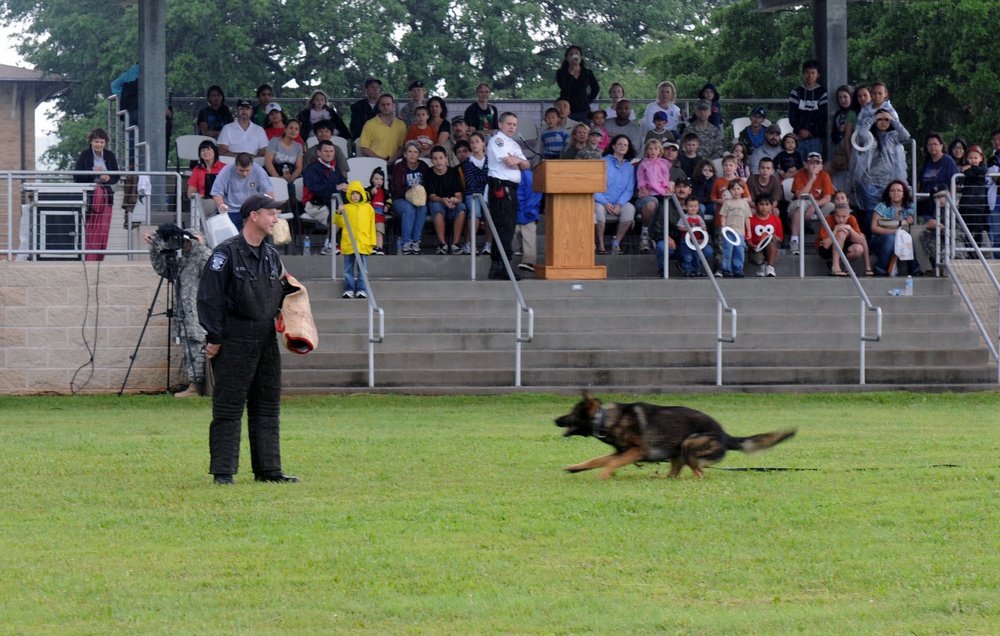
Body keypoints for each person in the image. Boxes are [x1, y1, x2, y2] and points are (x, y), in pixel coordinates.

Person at [196, 193, 299, 486]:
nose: (275, 219)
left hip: (265, 337)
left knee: (267, 404)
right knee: (228, 406)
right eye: (270, 213)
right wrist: (214, 337)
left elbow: (279, 292)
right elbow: (208, 298)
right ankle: (224, 472)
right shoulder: (224, 253)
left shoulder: (271, 255)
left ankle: (269, 469)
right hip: (234, 337)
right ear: (254, 215)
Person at [143, 224, 211, 397]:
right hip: (184, 312)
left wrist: (199, 243)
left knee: (196, 346)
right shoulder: (184, 260)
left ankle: (196, 386)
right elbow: (163, 270)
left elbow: (214, 280)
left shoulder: (202, 255)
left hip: (197, 313)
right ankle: (191, 383)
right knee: (188, 348)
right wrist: (155, 247)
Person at [486, 112, 530, 279]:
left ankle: (498, 267)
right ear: (500, 124)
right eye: (509, 123)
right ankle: (503, 266)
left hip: (511, 189)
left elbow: (526, 164)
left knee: (508, 228)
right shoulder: (498, 140)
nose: (512, 127)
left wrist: (518, 160)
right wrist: (518, 161)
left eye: (514, 124)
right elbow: (508, 161)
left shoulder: (513, 144)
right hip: (501, 187)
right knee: (504, 228)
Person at [849, 108, 911, 224]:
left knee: (887, 213)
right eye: (880, 120)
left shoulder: (892, 137)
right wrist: (873, 118)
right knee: (871, 213)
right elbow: (861, 133)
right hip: (868, 182)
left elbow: (905, 135)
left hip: (887, 182)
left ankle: (882, 238)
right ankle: (870, 239)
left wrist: (892, 120)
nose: (883, 122)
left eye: (886, 120)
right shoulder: (869, 136)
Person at [74, 128, 120, 261]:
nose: (98, 145)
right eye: (96, 142)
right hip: (91, 195)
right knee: (91, 226)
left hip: (106, 196)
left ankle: (99, 257)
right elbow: (77, 177)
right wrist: (93, 171)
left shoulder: (110, 155)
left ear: (105, 143)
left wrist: (108, 178)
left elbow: (116, 176)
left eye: (101, 142)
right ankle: (89, 256)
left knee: (103, 228)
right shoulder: (85, 155)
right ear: (91, 142)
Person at [917, 131, 960, 270]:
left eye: (935, 144)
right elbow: (919, 181)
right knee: (929, 233)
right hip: (926, 204)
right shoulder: (927, 163)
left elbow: (954, 181)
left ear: (941, 145)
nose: (932, 147)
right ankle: (935, 264)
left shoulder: (947, 160)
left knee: (942, 232)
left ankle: (945, 262)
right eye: (929, 144)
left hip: (942, 206)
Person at [302, 140, 350, 251]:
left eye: (331, 151)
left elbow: (343, 182)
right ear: (319, 153)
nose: (329, 154)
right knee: (339, 216)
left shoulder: (335, 168)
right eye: (326, 151)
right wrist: (336, 187)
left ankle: (330, 244)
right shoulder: (312, 168)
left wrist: (345, 186)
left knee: (347, 212)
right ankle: (330, 245)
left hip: (332, 202)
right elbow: (315, 188)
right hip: (314, 203)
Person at [594, 134, 637, 255]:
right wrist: (605, 202)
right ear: (613, 146)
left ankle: (616, 243)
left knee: (630, 210)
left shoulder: (629, 167)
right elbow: (594, 186)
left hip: (619, 202)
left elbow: (629, 190)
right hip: (601, 201)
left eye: (625, 145)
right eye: (620, 144)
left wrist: (619, 204)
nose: (622, 146)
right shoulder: (602, 162)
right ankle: (601, 244)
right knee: (598, 212)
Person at [333, 181, 376, 299]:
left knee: (363, 269)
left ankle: (362, 289)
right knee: (348, 269)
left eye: (357, 193)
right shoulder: (346, 208)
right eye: (352, 193)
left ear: (362, 194)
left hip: (363, 242)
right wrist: (338, 212)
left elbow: (372, 226)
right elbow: (339, 223)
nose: (355, 196)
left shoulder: (368, 208)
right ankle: (348, 289)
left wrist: (372, 242)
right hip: (349, 243)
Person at [210, 153, 274, 231]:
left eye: (248, 170)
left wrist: (272, 208)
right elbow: (216, 192)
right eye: (241, 170)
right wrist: (221, 205)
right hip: (231, 211)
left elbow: (268, 192)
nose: (244, 174)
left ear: (252, 166)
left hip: (251, 210)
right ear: (236, 166)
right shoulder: (226, 171)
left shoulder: (258, 171)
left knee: (260, 229)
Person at [788, 151, 835, 255]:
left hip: (817, 204)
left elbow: (828, 197)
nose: (814, 166)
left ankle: (825, 239)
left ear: (821, 166)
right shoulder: (800, 174)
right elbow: (800, 196)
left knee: (831, 206)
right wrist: (812, 179)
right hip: (802, 202)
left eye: (817, 163)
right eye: (812, 163)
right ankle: (795, 240)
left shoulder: (825, 175)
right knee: (799, 207)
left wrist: (814, 206)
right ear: (806, 165)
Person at [870, 179, 920, 276]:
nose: (895, 193)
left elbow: (908, 226)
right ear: (888, 194)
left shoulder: (909, 207)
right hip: (879, 241)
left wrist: (911, 221)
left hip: (901, 240)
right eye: (892, 190)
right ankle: (880, 269)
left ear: (903, 194)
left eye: (898, 190)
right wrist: (893, 231)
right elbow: (874, 228)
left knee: (908, 239)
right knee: (891, 238)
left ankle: (915, 269)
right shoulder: (881, 206)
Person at [425, 145, 468, 254]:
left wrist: (455, 200)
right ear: (431, 160)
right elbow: (432, 196)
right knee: (436, 207)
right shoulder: (428, 173)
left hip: (452, 203)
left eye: (441, 158)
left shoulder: (454, 172)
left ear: (446, 159)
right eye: (435, 158)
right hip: (438, 202)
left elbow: (459, 194)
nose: (438, 161)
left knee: (462, 208)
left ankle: (455, 244)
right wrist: (443, 200)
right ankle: (442, 244)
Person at [393, 141, 430, 254]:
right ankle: (406, 242)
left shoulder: (424, 167)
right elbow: (395, 190)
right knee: (409, 209)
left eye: (415, 152)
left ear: (419, 154)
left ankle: (415, 242)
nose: (412, 155)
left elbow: (429, 186)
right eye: (410, 152)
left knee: (422, 208)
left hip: (419, 200)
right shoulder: (399, 167)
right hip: (400, 200)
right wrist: (409, 189)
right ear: (405, 154)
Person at [635, 139, 672, 253]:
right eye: (650, 149)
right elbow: (640, 178)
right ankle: (645, 234)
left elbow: (666, 177)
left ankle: (660, 235)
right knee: (651, 204)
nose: (653, 151)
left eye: (656, 149)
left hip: (662, 192)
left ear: (660, 151)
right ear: (646, 151)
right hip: (650, 192)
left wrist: (666, 188)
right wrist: (643, 187)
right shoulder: (644, 164)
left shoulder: (663, 163)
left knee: (666, 209)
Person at [817, 202, 872, 276]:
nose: (840, 220)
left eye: (844, 216)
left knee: (859, 248)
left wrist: (849, 228)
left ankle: (841, 262)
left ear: (849, 215)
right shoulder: (828, 220)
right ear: (834, 215)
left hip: (843, 246)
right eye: (838, 216)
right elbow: (825, 245)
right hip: (825, 248)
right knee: (841, 233)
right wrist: (835, 230)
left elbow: (860, 240)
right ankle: (835, 267)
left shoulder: (852, 219)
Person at [788, 59, 828, 160]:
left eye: (812, 73)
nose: (810, 76)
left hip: (815, 138)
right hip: (799, 136)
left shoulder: (822, 93)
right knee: (799, 166)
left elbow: (823, 117)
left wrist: (810, 132)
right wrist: (801, 131)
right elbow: (792, 115)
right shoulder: (796, 92)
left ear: (818, 74)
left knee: (814, 165)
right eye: (807, 73)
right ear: (803, 74)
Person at [264, 118, 305, 209]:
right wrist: (278, 179)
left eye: (296, 129)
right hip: (273, 174)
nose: (293, 130)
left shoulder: (298, 146)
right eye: (291, 128)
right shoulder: (275, 141)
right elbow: (268, 162)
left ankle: (292, 213)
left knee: (294, 188)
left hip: (289, 175)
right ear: (285, 129)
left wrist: (294, 175)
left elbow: (299, 167)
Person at [462, 131, 492, 255]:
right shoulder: (467, 163)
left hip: (487, 194)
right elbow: (471, 182)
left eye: (477, 141)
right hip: (472, 194)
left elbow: (492, 178)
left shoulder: (490, 161)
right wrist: (485, 179)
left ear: (483, 143)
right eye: (472, 142)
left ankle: (488, 244)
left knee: (489, 215)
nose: (474, 144)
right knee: (475, 213)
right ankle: (471, 245)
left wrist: (484, 179)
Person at [716, 179, 751, 277]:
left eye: (738, 188)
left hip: (740, 232)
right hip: (729, 231)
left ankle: (738, 269)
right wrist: (723, 226)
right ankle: (726, 269)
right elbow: (723, 215)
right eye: (733, 189)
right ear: (729, 191)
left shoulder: (745, 203)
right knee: (728, 250)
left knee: (739, 251)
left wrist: (748, 231)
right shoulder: (727, 203)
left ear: (743, 190)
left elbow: (747, 218)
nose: (736, 191)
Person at [555, 45, 599, 122]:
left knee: (583, 132)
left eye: (576, 54)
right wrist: (571, 73)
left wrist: (587, 101)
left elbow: (596, 88)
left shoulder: (587, 72)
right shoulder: (561, 73)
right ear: (567, 58)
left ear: (581, 57)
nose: (574, 56)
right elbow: (564, 87)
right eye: (571, 54)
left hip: (584, 111)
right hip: (567, 111)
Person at [360, 93, 407, 163]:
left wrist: (394, 158)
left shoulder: (401, 124)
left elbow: (402, 146)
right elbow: (364, 148)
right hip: (375, 163)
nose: (385, 107)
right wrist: (380, 159)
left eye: (388, 104)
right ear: (379, 106)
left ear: (393, 105)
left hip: (396, 163)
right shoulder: (369, 124)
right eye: (383, 104)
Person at [959, 144, 990, 249]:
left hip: (978, 205)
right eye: (971, 158)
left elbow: (983, 171)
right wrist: (971, 169)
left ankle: (977, 253)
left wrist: (972, 167)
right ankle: (969, 252)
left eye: (976, 158)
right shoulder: (965, 168)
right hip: (966, 204)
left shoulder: (982, 167)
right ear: (967, 158)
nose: (973, 160)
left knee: (978, 230)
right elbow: (968, 174)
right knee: (967, 230)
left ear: (981, 158)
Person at [675, 196, 713, 277]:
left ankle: (696, 270)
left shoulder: (699, 217)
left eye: (695, 206)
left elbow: (704, 227)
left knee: (697, 256)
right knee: (687, 256)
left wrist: (703, 229)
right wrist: (688, 229)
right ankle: (687, 270)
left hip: (696, 241)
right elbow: (679, 227)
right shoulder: (684, 217)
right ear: (686, 207)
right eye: (691, 206)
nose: (693, 208)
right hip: (686, 241)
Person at [746, 194, 782, 277]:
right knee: (757, 258)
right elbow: (748, 239)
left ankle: (770, 266)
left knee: (770, 238)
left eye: (767, 204)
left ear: (771, 206)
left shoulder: (776, 220)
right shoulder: (751, 220)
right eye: (761, 204)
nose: (764, 207)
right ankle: (760, 266)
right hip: (756, 248)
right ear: (756, 205)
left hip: (770, 247)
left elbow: (780, 238)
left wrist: (773, 237)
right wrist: (753, 246)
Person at [187, 139, 225, 215]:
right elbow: (190, 193)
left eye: (208, 149)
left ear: (215, 151)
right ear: (200, 154)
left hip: (223, 199)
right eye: (203, 150)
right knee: (211, 203)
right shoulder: (197, 170)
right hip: (204, 200)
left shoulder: (224, 168)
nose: (206, 152)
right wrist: (201, 196)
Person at [515, 167, 542, 273]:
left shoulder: (528, 175)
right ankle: (521, 249)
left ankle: (529, 262)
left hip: (527, 212)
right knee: (517, 232)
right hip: (516, 212)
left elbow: (534, 194)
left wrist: (528, 210)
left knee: (528, 236)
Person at [368, 167, 392, 255]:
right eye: (376, 179)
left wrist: (387, 206)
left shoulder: (385, 192)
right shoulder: (368, 190)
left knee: (379, 232)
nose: (379, 181)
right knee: (371, 232)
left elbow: (389, 200)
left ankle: (379, 248)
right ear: (371, 179)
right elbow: (363, 199)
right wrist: (371, 194)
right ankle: (372, 247)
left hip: (380, 215)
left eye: (381, 179)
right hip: (370, 215)